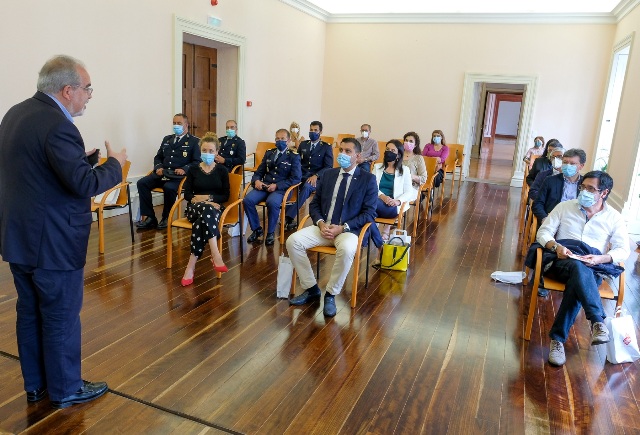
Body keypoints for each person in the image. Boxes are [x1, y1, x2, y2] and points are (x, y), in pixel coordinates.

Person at [0, 55, 127, 408]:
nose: (89, 96)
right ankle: (66, 388)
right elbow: (84, 184)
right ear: (68, 90)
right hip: (52, 242)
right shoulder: (59, 125)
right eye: (87, 89)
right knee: (60, 316)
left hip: (19, 238)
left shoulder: (15, 114)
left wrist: (79, 160)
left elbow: (37, 172)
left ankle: (36, 385)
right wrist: (114, 164)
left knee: (29, 312)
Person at [535, 171, 629, 367]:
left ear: (604, 193)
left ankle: (557, 340)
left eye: (591, 189)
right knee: (578, 267)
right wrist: (555, 246)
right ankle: (597, 321)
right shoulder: (564, 207)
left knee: (578, 279)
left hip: (592, 267)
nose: (584, 191)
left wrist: (600, 258)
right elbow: (543, 232)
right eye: (583, 187)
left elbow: (623, 250)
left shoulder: (614, 218)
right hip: (561, 262)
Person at [287, 137, 378, 317]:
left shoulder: (368, 179)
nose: (342, 154)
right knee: (292, 241)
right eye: (341, 150)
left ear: (358, 156)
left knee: (347, 249)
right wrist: (321, 223)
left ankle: (330, 294)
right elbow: (314, 204)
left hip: (347, 230)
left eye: (348, 151)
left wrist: (342, 228)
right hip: (324, 226)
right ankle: (311, 288)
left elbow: (369, 213)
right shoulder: (329, 174)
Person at [180, 132, 231, 286]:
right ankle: (215, 254)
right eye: (204, 150)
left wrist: (206, 198)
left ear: (216, 152)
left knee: (202, 221)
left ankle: (190, 267)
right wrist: (207, 201)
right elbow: (188, 194)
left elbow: (225, 195)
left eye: (211, 151)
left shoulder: (222, 170)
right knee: (207, 210)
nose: (207, 153)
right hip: (194, 209)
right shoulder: (193, 169)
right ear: (200, 151)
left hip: (214, 210)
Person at [136, 114, 201, 230]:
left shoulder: (194, 141)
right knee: (142, 183)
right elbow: (158, 157)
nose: (176, 126)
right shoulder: (167, 139)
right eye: (174, 123)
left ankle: (166, 217)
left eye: (179, 123)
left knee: (169, 187)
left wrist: (184, 169)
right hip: (163, 174)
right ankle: (150, 217)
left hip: (179, 177)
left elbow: (197, 162)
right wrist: (159, 167)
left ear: (186, 125)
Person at [243, 129, 301, 246]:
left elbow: (296, 178)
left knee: (272, 202)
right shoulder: (269, 153)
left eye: (283, 139)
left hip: (282, 189)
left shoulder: (293, 156)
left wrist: (277, 185)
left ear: (288, 140)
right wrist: (257, 180)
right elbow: (259, 171)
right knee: (247, 200)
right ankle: (257, 229)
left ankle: (270, 233)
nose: (279, 141)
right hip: (265, 186)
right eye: (277, 138)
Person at [284, 121, 333, 231]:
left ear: (320, 132)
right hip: (302, 175)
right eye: (311, 130)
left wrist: (316, 175)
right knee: (288, 183)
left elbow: (328, 167)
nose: (313, 132)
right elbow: (297, 161)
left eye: (315, 130)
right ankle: (286, 214)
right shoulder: (303, 144)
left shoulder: (326, 147)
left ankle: (288, 216)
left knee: (306, 186)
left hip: (317, 179)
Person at [372, 140, 416, 243]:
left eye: (392, 151)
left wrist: (397, 201)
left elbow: (409, 192)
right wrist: (382, 196)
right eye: (387, 149)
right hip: (377, 201)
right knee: (368, 210)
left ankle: (372, 235)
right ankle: (376, 238)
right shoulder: (377, 167)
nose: (389, 152)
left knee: (367, 206)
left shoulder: (404, 170)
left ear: (398, 155)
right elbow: (372, 188)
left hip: (392, 206)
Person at [532, 148, 586, 223]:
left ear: (581, 166)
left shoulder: (586, 184)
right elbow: (537, 203)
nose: (568, 166)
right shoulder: (550, 180)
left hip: (576, 222)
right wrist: (544, 218)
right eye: (565, 162)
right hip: (553, 220)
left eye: (572, 163)